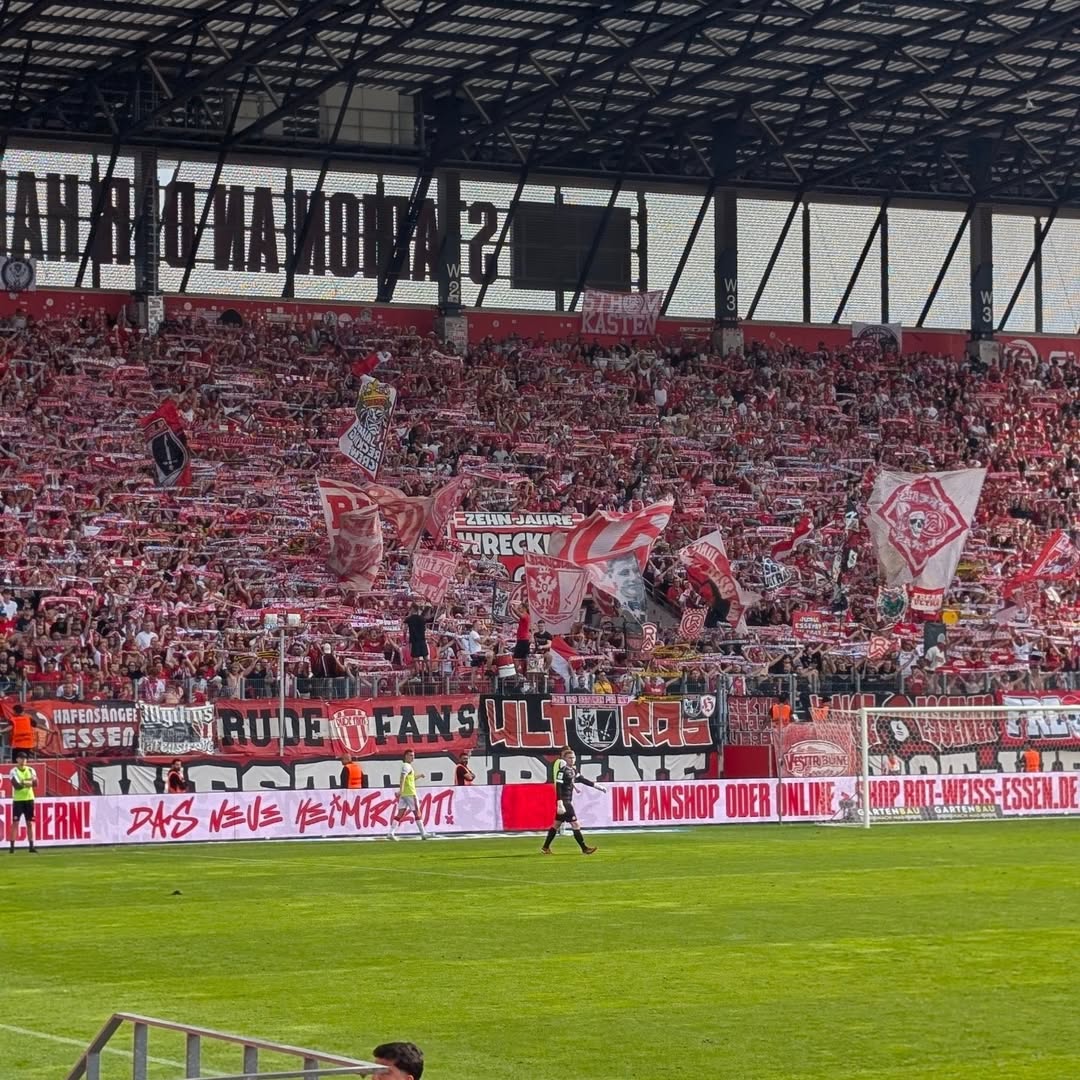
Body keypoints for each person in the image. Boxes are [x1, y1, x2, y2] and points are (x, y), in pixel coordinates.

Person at [541, 746, 606, 855]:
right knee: (575, 824)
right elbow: (558, 787)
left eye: (573, 757)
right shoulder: (563, 771)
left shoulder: (573, 770)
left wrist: (596, 785)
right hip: (565, 802)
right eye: (570, 758)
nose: (572, 759)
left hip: (566, 801)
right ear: (565, 759)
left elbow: (582, 779)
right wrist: (559, 803)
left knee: (556, 825)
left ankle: (545, 847)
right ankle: (585, 848)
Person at [389, 749, 429, 840]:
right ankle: (423, 833)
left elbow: (409, 779)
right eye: (411, 755)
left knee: (400, 814)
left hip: (404, 794)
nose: (413, 757)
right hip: (410, 793)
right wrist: (401, 790)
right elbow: (402, 778)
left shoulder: (407, 766)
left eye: (413, 755)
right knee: (417, 812)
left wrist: (419, 776)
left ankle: (391, 833)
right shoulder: (407, 766)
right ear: (406, 756)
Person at [9, 750, 38, 853]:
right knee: (15, 823)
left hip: (29, 799)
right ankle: (12, 847)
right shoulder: (13, 771)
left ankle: (31, 846)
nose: (23, 760)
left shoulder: (31, 770)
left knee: (30, 823)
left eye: (24, 759)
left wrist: (23, 782)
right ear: (17, 759)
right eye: (21, 758)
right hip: (18, 800)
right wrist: (28, 782)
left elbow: (35, 783)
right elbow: (17, 786)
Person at [404, 605, 429, 675]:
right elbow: (425, 629)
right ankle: (430, 674)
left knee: (415, 659)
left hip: (414, 641)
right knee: (426, 659)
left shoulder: (409, 619)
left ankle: (418, 675)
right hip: (422, 640)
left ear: (412, 609)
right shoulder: (422, 618)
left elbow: (404, 629)